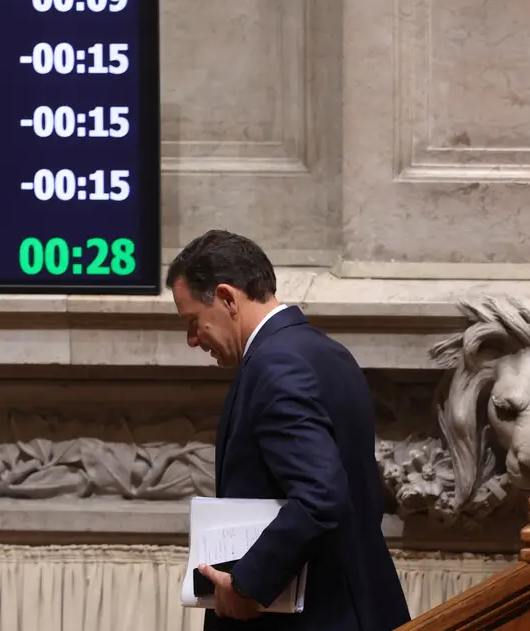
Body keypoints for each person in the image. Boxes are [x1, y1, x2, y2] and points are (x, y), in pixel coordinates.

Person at [166, 230, 410, 631]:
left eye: (193, 321)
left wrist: (248, 585)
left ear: (227, 298)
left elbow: (321, 496)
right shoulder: (325, 351)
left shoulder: (275, 366)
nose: (192, 340)